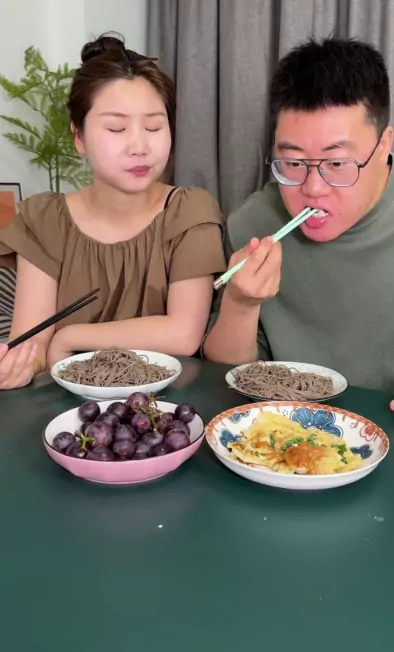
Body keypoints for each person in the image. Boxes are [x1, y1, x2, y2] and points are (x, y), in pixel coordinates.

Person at [204, 37, 394, 427]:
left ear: (384, 144)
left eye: (336, 163)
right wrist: (241, 303)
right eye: (293, 162)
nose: (313, 188)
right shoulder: (253, 223)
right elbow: (226, 377)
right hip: (283, 438)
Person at [0, 34, 226, 389]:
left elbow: (184, 334)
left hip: (169, 408)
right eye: (116, 128)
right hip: (67, 409)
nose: (139, 146)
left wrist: (70, 336)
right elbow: (33, 345)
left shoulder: (189, 211)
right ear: (79, 136)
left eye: (154, 126)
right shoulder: (43, 220)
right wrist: (19, 366)